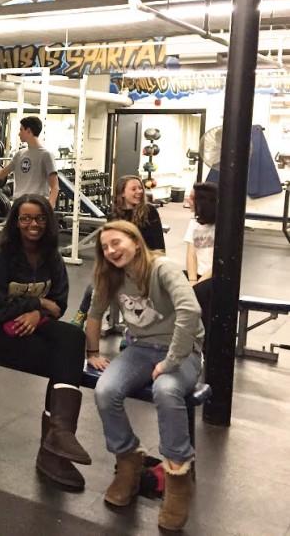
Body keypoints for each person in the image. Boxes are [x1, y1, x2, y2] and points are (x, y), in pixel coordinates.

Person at [87, 220, 205, 532]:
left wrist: (171, 361)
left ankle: (177, 480)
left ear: (136, 242)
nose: (111, 251)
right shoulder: (110, 275)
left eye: (117, 243)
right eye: (105, 247)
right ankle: (129, 463)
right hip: (139, 349)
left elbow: (190, 311)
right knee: (105, 390)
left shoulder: (161, 268)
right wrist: (92, 352)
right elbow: (94, 313)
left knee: (166, 391)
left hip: (182, 351)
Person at [0, 194, 91, 490]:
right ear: (16, 222)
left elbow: (59, 304)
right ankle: (51, 453)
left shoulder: (52, 257)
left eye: (38, 218)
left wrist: (37, 313)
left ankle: (59, 435)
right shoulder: (1, 259)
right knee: (62, 360)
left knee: (74, 336)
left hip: (33, 322)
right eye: (25, 218)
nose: (32, 224)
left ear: (47, 221)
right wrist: (38, 303)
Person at [72, 174, 166, 327]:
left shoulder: (149, 212)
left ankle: (129, 328)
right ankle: (81, 315)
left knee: (132, 290)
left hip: (143, 264)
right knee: (95, 284)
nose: (139, 192)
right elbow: (109, 244)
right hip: (120, 262)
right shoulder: (114, 214)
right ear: (122, 193)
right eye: (133, 189)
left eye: (140, 188)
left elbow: (158, 246)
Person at [0, 115, 58, 207]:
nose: (19, 133)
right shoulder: (20, 154)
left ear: (29, 131)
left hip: (38, 205)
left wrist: (49, 208)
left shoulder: (46, 155)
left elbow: (55, 187)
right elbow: (1, 174)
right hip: (19, 204)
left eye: (21, 130)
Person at [184, 182, 217, 330]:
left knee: (198, 293)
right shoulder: (194, 224)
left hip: (214, 276)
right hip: (197, 275)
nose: (187, 200)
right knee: (169, 283)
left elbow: (219, 260)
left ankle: (202, 340)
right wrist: (192, 279)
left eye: (191, 198)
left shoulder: (222, 226)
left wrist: (200, 282)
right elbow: (191, 254)